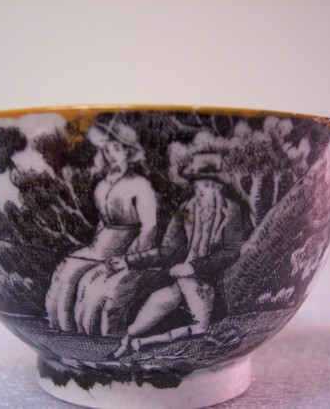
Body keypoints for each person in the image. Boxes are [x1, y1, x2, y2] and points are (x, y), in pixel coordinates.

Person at [111, 152, 245, 358]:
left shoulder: (231, 211)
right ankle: (128, 341)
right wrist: (128, 260)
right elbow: (168, 250)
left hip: (206, 282)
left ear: (218, 187)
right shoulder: (186, 209)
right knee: (154, 305)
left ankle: (142, 343)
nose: (200, 191)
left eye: (206, 185)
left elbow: (230, 252)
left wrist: (193, 267)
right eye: (197, 185)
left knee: (199, 326)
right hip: (180, 279)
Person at [45, 120, 157, 332]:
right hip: (101, 245)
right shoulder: (102, 185)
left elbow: (150, 227)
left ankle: (85, 331)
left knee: (90, 281)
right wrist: (95, 244)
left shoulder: (140, 185)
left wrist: (135, 258)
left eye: (117, 148)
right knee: (67, 269)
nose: (111, 154)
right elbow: (102, 222)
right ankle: (62, 327)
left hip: (128, 247)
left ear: (127, 151)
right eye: (107, 149)